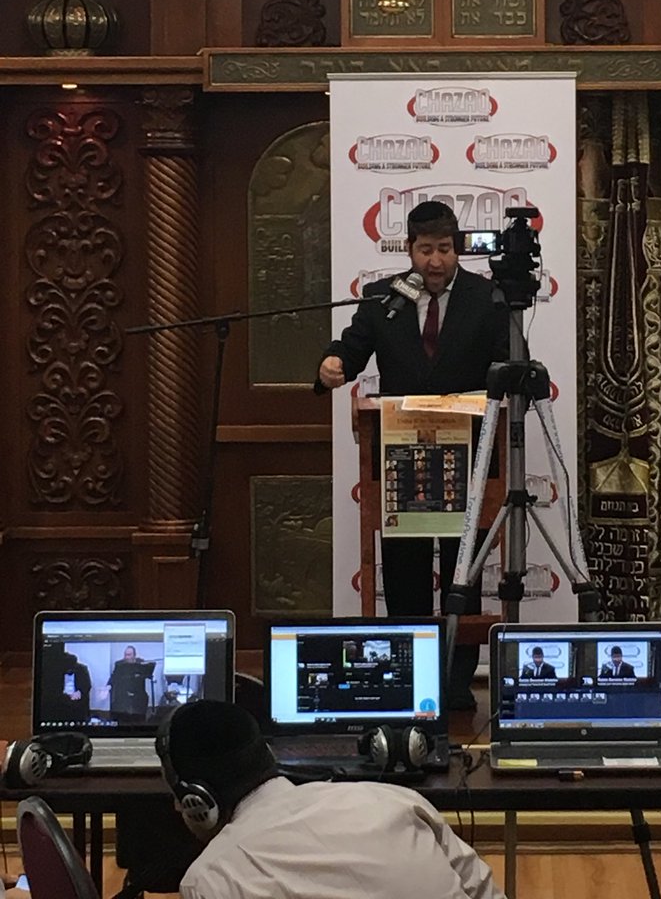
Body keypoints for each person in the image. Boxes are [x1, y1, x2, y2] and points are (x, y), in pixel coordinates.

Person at [318, 201, 509, 710]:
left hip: (470, 455)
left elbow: (507, 362)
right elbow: (351, 350)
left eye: (444, 249)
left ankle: (456, 683)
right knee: (404, 571)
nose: (435, 261)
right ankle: (409, 678)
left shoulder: (488, 298)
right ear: (409, 250)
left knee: (462, 573)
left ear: (458, 248)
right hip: (402, 457)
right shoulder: (385, 298)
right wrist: (333, 362)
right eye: (425, 250)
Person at [157, 699, 506, 899]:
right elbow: (485, 892)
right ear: (268, 754)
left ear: (197, 799)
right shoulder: (397, 801)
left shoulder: (210, 880)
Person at [106, 645, 154, 722]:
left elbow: (148, 675)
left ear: (134, 655)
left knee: (143, 701)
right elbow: (114, 676)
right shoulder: (119, 664)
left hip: (138, 694)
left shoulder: (141, 663)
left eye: (129, 655)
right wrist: (107, 687)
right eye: (125, 655)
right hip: (123, 694)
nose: (126, 657)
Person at [60, 651, 92, 723]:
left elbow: (87, 685)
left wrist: (79, 692)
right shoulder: (56, 670)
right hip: (63, 698)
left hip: (77, 699)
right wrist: (65, 696)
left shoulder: (82, 669)